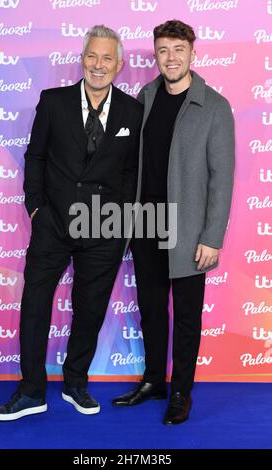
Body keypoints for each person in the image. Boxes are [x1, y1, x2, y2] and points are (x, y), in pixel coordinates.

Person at [0, 25, 143, 421]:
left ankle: (76, 382)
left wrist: (121, 221)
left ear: (119, 65)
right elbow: (35, 157)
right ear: (82, 59)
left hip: (104, 229)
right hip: (53, 223)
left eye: (107, 57)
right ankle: (31, 391)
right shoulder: (53, 102)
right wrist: (36, 208)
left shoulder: (131, 110)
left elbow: (129, 172)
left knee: (90, 309)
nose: (98, 64)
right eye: (92, 55)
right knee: (36, 305)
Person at [112, 19, 235, 425]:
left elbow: (222, 177)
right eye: (163, 51)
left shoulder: (214, 106)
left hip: (188, 232)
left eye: (178, 50)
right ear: (156, 55)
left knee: (186, 315)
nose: (171, 58)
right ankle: (153, 381)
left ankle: (181, 390)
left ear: (192, 54)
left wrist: (212, 237)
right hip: (146, 224)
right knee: (150, 309)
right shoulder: (145, 96)